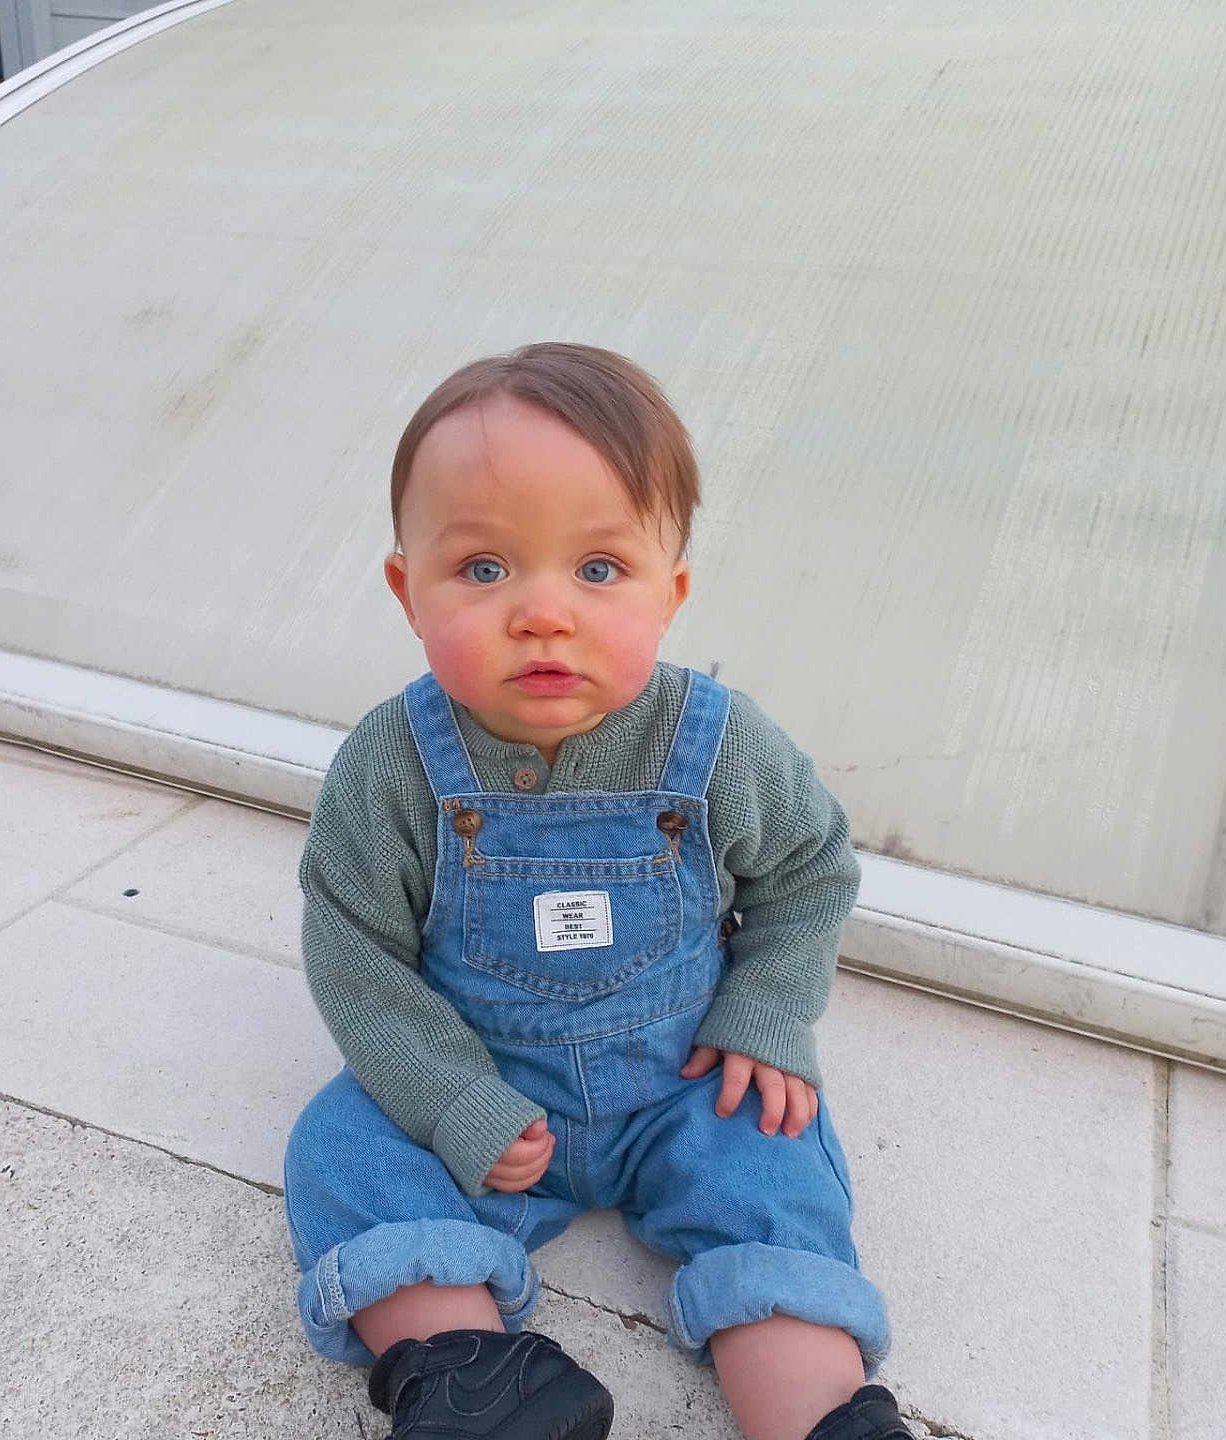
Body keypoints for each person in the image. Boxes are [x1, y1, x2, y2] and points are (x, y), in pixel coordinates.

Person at [283, 343, 906, 1440]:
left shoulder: (718, 744)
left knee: (773, 1168)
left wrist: (766, 1009)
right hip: (484, 1080)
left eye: (600, 570)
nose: (542, 613)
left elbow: (810, 870)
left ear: (672, 593)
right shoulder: (391, 766)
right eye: (484, 569)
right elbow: (355, 951)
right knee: (342, 1152)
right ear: (407, 591)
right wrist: (449, 1100)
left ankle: (816, 1410)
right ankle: (473, 1375)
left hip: (685, 1081)